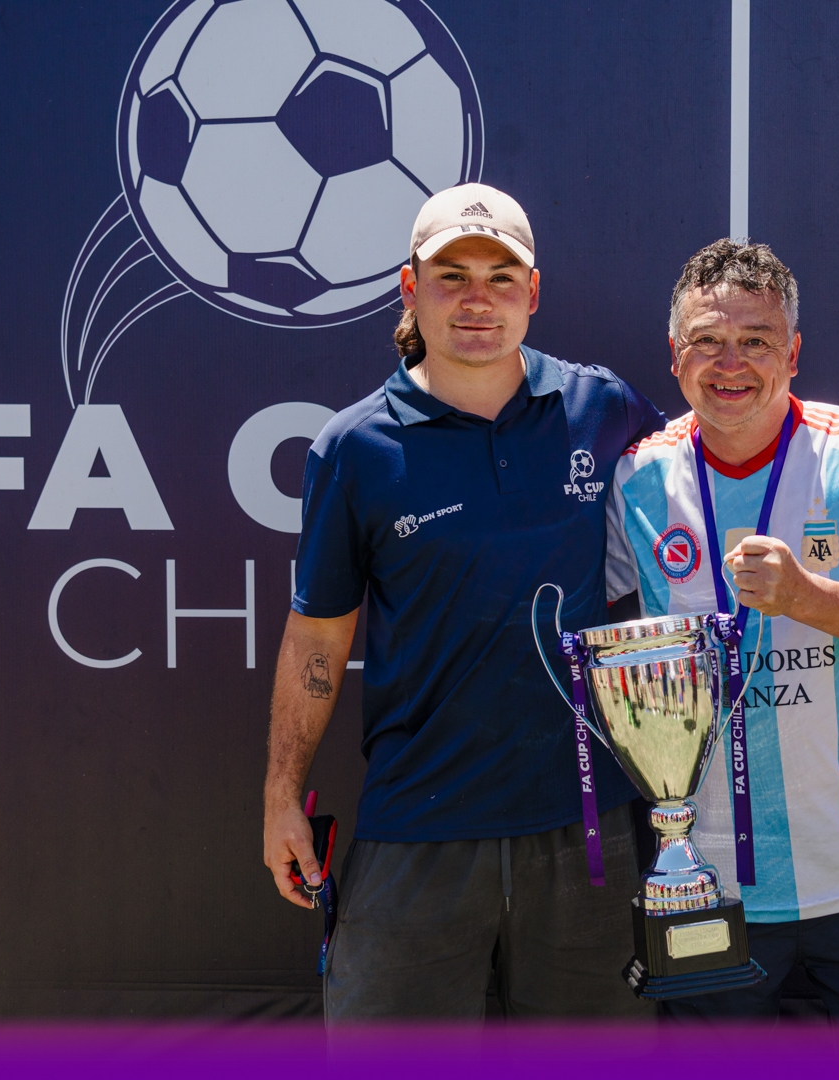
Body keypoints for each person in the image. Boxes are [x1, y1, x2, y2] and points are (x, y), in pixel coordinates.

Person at [261, 183, 666, 1019]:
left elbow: (711, 467)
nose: (478, 299)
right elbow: (317, 638)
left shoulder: (602, 408)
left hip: (587, 829)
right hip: (419, 827)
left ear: (533, 293)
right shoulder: (354, 447)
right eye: (453, 277)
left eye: (500, 277)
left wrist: (833, 436)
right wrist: (279, 797)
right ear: (411, 288)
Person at [605, 238, 839, 1017]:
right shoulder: (638, 478)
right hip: (708, 879)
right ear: (674, 355)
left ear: (792, 354)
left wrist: (807, 597)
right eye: (707, 341)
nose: (730, 363)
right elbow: (586, 621)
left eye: (756, 341)